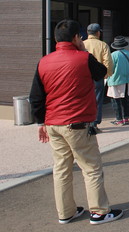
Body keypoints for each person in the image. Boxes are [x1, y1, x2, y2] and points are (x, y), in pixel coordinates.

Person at [29, 19, 123, 225]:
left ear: (55, 39)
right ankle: (98, 212)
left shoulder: (44, 61)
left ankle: (66, 212)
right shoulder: (83, 58)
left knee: (61, 169)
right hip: (78, 123)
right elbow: (101, 73)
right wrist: (82, 49)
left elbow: (35, 97)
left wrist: (40, 122)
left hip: (53, 124)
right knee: (91, 168)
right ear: (76, 38)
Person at [83, 23, 113, 133]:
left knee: (84, 99)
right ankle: (94, 123)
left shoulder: (82, 44)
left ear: (87, 33)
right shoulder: (103, 45)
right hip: (97, 77)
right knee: (97, 99)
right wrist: (106, 74)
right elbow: (108, 62)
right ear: (98, 33)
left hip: (83, 77)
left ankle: (85, 122)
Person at [107, 36, 129, 126]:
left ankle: (119, 119)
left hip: (116, 80)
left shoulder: (114, 55)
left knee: (115, 100)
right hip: (127, 80)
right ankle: (126, 118)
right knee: (125, 100)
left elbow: (111, 68)